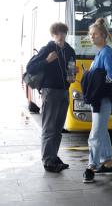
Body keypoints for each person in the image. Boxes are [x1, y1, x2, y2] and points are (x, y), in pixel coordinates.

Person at [26, 22, 76, 173]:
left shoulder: (70, 50)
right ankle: (48, 160)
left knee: (58, 128)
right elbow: (30, 67)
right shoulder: (47, 48)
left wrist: (72, 76)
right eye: (57, 33)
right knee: (49, 127)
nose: (60, 36)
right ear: (53, 35)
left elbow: (72, 68)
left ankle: (54, 157)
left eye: (63, 33)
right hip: (50, 91)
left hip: (64, 91)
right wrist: (47, 60)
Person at [82, 18, 112, 183]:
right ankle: (107, 162)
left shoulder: (106, 53)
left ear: (103, 35)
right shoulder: (100, 53)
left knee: (95, 133)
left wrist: (99, 85)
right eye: (90, 35)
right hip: (99, 99)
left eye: (95, 34)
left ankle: (92, 166)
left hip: (102, 99)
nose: (92, 37)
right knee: (102, 131)